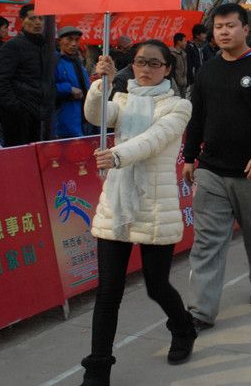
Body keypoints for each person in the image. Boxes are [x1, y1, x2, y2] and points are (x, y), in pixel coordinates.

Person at [78, 40, 195, 385]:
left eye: (154, 64)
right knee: (108, 291)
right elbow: (96, 115)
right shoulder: (122, 98)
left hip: (155, 206)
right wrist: (102, 84)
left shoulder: (178, 106)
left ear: (168, 69)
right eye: (140, 61)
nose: (145, 69)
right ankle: (98, 370)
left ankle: (183, 327)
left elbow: (155, 140)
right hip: (117, 203)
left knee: (156, 285)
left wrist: (116, 155)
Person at [184, 3, 251, 331]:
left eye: (230, 26)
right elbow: (197, 117)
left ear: (245, 29)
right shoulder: (208, 71)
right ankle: (201, 309)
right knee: (207, 240)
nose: (224, 32)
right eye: (218, 27)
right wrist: (189, 157)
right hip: (211, 170)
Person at [0, 3, 54, 146]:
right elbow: (0, 80)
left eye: (40, 18)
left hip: (39, 113)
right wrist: (16, 108)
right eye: (32, 19)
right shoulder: (12, 46)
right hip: (17, 116)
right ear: (22, 21)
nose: (38, 22)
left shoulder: (45, 47)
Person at [54, 26, 92, 139]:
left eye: (76, 40)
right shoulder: (54, 61)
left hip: (83, 120)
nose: (74, 43)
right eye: (70, 39)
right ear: (60, 41)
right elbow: (46, 87)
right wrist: (68, 89)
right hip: (63, 121)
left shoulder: (78, 62)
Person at [185, 23, 208, 92]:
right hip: (192, 81)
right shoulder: (189, 47)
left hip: (199, 78)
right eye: (203, 33)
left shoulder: (199, 48)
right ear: (197, 35)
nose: (205, 35)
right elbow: (189, 66)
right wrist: (192, 81)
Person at [169, 33, 188, 97]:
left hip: (183, 84)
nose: (186, 43)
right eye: (184, 41)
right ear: (179, 42)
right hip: (176, 86)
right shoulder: (172, 55)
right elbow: (171, 71)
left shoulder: (183, 54)